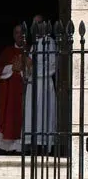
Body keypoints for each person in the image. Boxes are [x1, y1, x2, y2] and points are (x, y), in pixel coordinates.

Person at [0, 24, 28, 153]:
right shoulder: (7, 52)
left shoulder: (31, 51)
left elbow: (35, 71)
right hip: (9, 93)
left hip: (24, 92)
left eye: (22, 33)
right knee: (9, 116)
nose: (20, 35)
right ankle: (7, 147)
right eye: (17, 33)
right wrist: (12, 68)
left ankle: (22, 147)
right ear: (14, 35)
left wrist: (24, 68)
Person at [24, 14, 56, 153]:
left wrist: (35, 70)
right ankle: (32, 144)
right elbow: (29, 66)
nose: (37, 26)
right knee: (32, 113)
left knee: (43, 112)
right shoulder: (34, 44)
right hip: (32, 84)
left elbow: (52, 66)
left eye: (39, 23)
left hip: (44, 84)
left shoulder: (50, 42)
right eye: (34, 23)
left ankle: (43, 145)